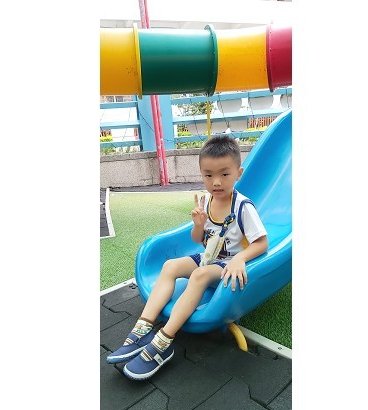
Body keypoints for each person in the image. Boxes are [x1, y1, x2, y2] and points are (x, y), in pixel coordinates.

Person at [105, 135, 269, 380]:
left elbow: (262, 243)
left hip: (227, 265)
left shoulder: (243, 207)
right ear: (202, 174)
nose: (216, 182)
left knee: (200, 274)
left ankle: (164, 341)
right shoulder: (206, 201)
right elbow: (197, 239)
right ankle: (143, 328)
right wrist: (199, 224)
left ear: (238, 173)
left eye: (224, 174)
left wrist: (240, 259)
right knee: (170, 266)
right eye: (208, 175)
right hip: (209, 258)